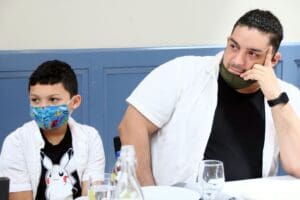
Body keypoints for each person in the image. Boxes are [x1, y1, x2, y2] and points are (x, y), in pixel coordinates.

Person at [118, 9, 300, 186]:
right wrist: (150, 194)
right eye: (233, 46)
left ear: (273, 60)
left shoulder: (286, 96)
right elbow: (131, 125)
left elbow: (297, 165)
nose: (237, 60)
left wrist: (276, 98)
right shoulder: (182, 72)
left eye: (252, 53)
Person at [0, 60, 105, 199]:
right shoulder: (16, 142)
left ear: (75, 102)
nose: (43, 107)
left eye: (53, 100)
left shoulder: (90, 138)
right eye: (35, 100)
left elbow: (92, 194)